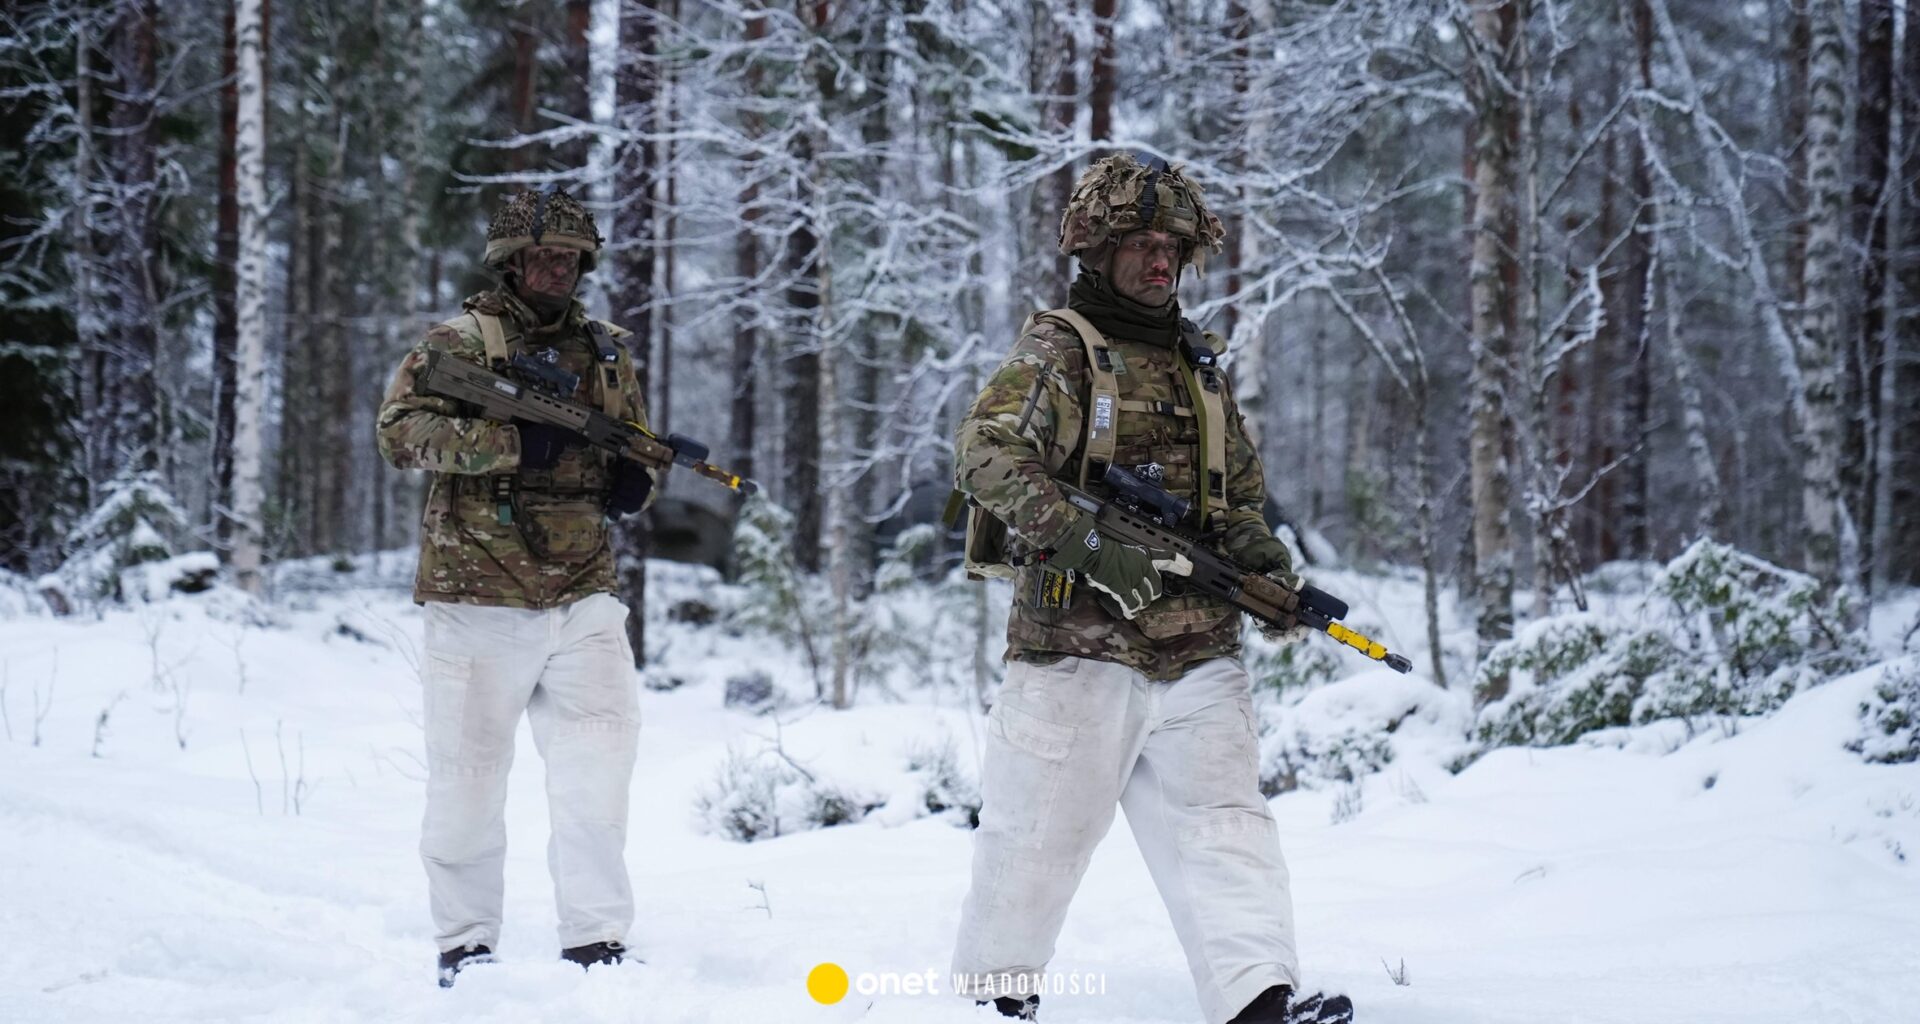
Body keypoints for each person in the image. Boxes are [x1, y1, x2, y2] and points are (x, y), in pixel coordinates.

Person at [949, 154, 1353, 1024]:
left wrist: (1266, 570)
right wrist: (1089, 543)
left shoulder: (1199, 364)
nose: (1160, 259)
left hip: (1200, 647)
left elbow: (1235, 497)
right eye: (1140, 242)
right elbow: (984, 456)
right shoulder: (1060, 348)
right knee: (1032, 851)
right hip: (1076, 653)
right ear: (1097, 246)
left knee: (1228, 834)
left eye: (1173, 244)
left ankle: (1258, 1000)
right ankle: (992, 1004)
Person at [375, 187, 658, 988]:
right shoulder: (456, 343)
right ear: (507, 262)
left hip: (584, 591)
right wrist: (506, 443)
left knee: (598, 774)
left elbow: (627, 439)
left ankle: (597, 938)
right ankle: (465, 942)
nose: (555, 270)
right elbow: (399, 434)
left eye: (568, 258)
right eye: (539, 257)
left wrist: (639, 477)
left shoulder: (606, 350)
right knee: (467, 779)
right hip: (478, 594)